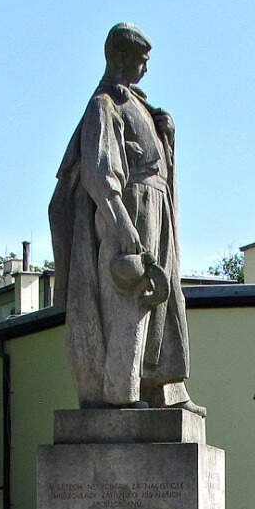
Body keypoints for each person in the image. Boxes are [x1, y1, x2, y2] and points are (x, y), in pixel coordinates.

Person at [48, 23, 198, 411]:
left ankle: (164, 389)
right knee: (128, 302)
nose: (145, 69)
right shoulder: (104, 104)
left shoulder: (139, 104)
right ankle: (120, 394)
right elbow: (100, 171)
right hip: (130, 211)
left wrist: (167, 134)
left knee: (166, 300)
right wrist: (123, 225)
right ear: (118, 57)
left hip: (158, 210)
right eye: (141, 61)